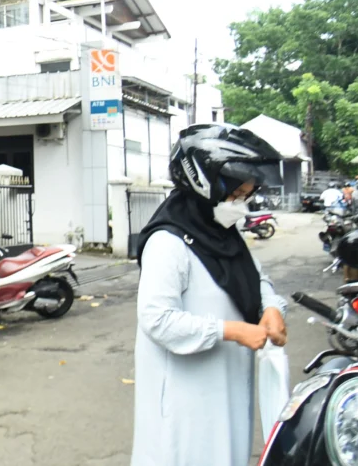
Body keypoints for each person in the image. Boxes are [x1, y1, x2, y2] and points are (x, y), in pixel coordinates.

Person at [130, 124, 288, 466]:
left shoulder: (225, 237)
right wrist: (232, 330)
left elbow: (256, 280)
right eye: (236, 194)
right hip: (184, 407)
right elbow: (157, 320)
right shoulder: (168, 244)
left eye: (247, 194)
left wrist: (271, 308)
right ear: (205, 184)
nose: (241, 203)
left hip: (226, 394)